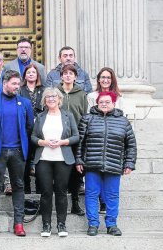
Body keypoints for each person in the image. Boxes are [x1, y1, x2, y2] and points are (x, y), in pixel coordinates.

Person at [76, 91, 137, 236]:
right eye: (101, 101)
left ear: (114, 104)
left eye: (107, 102)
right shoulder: (87, 118)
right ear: (97, 103)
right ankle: (93, 224)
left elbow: (131, 145)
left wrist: (129, 163)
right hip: (92, 164)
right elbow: (80, 143)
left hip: (114, 164)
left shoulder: (123, 121)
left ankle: (112, 225)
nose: (104, 104)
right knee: (91, 194)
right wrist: (79, 160)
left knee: (112, 195)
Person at [0, 70, 34, 237]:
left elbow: (29, 126)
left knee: (18, 186)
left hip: (18, 151)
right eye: (13, 84)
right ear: (4, 83)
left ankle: (19, 224)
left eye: (18, 84)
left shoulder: (25, 103)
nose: (17, 87)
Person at [31, 87, 80, 237]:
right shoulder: (40, 117)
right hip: (44, 159)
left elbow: (76, 136)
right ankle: (46, 225)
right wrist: (43, 142)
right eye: (48, 97)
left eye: (54, 97)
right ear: (44, 101)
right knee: (45, 193)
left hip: (63, 159)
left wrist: (63, 142)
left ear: (59, 99)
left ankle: (61, 224)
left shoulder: (68, 115)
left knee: (61, 192)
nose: (51, 99)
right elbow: (33, 137)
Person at [57, 64, 88, 216]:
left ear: (76, 77)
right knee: (61, 172)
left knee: (76, 173)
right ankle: (60, 204)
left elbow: (84, 116)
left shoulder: (81, 94)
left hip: (76, 138)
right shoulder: (55, 92)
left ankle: (75, 203)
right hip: (58, 138)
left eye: (71, 73)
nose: (68, 76)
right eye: (65, 73)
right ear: (61, 76)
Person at [20, 63, 45, 194]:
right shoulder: (20, 90)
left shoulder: (44, 89)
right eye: (28, 72)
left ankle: (40, 188)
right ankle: (26, 189)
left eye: (33, 72)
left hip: (41, 130)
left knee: (39, 159)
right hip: (25, 129)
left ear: (37, 75)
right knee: (25, 158)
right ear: (24, 75)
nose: (31, 74)